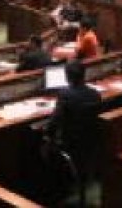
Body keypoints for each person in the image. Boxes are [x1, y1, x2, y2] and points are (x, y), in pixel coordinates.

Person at [45, 60, 102, 193]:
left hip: (71, 142)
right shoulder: (95, 93)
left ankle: (53, 187)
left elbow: (54, 122)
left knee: (42, 144)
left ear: (67, 77)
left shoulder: (65, 95)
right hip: (91, 139)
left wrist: (46, 132)